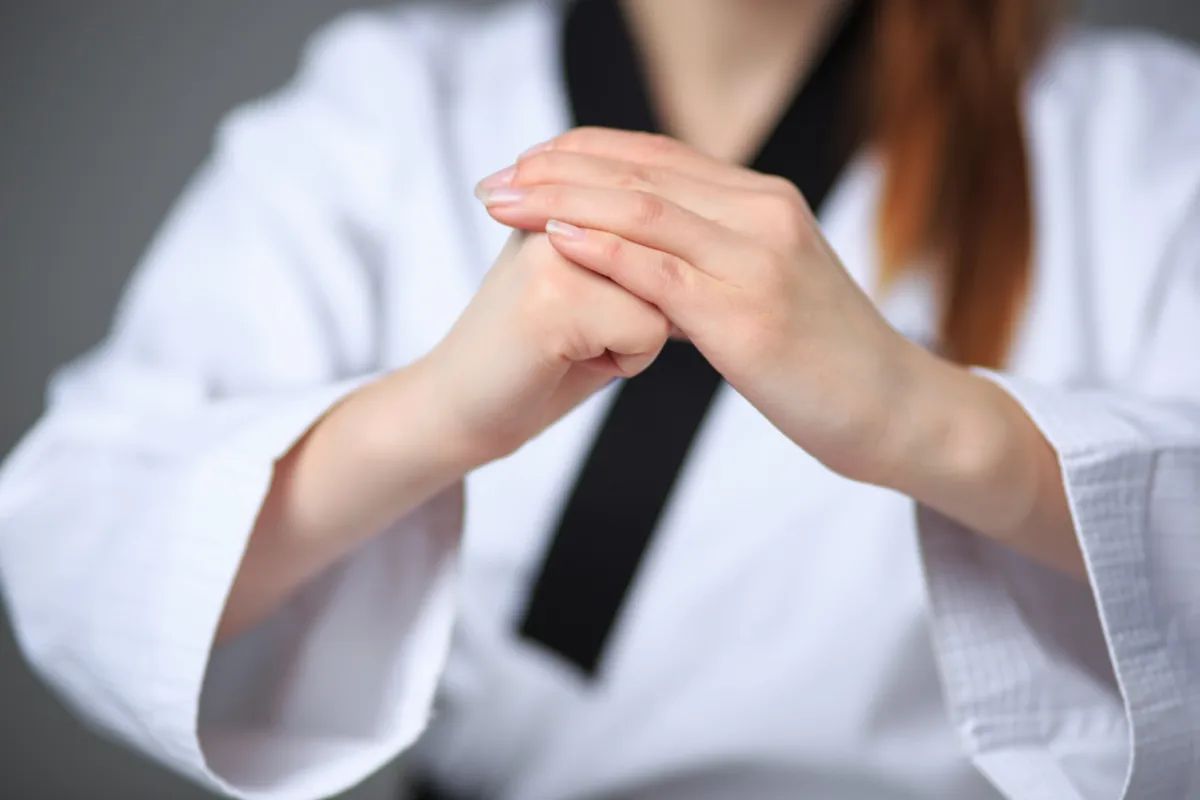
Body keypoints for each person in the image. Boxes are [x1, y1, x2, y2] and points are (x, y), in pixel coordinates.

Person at [1, 0, 1198, 797]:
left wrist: (929, 423)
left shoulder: (1142, 129)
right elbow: (75, 534)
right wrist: (434, 416)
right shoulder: (388, 102)